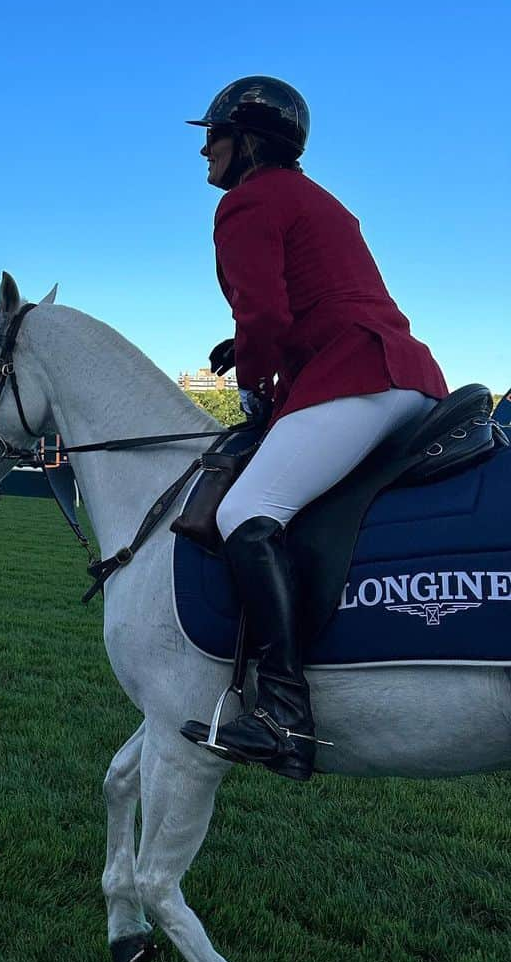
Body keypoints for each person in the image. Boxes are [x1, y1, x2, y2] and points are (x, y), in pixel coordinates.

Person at [179, 76, 449, 780]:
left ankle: (283, 717)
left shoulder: (247, 201)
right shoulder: (323, 201)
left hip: (355, 378)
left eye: (212, 136)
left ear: (247, 140)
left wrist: (251, 385)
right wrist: (249, 346)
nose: (204, 151)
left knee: (246, 510)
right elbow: (321, 296)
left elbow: (266, 314)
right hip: (410, 379)